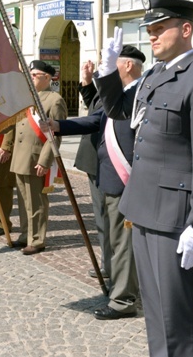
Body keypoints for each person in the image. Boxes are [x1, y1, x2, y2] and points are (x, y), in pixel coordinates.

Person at [94, 0, 193, 356]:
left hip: (175, 216)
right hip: (143, 208)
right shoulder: (156, 73)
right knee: (156, 313)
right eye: (149, 30)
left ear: (185, 29)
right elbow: (118, 110)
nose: (152, 36)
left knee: (178, 314)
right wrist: (108, 72)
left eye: (160, 29)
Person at [44, 45, 145, 321]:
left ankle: (123, 300)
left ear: (126, 66)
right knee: (113, 239)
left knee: (124, 241)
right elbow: (96, 119)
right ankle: (118, 287)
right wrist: (59, 126)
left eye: (110, 63)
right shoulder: (120, 94)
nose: (105, 68)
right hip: (109, 175)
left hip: (127, 179)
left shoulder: (141, 93)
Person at [8, 60, 67, 255]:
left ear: (47, 78)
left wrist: (44, 161)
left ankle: (37, 239)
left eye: (35, 75)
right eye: (30, 74)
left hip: (35, 158)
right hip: (20, 157)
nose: (31, 77)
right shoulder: (26, 98)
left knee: (36, 202)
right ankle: (26, 234)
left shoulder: (54, 99)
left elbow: (55, 135)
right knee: (24, 201)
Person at [76, 60, 111, 280]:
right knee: (101, 217)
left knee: (111, 218)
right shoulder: (106, 91)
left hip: (109, 163)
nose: (99, 66)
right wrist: (87, 81)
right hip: (93, 161)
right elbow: (94, 104)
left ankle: (115, 264)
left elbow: (96, 119)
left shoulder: (124, 92)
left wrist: (60, 126)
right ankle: (108, 262)